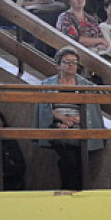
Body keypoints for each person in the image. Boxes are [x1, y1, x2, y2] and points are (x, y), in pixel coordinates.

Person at [35, 46, 105, 190]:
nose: (71, 65)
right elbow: (45, 108)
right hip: (57, 126)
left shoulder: (86, 85)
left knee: (76, 159)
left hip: (80, 124)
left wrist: (79, 118)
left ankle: (73, 190)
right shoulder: (47, 84)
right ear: (58, 65)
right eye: (67, 62)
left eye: (74, 62)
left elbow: (91, 109)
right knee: (70, 157)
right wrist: (61, 118)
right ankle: (71, 190)